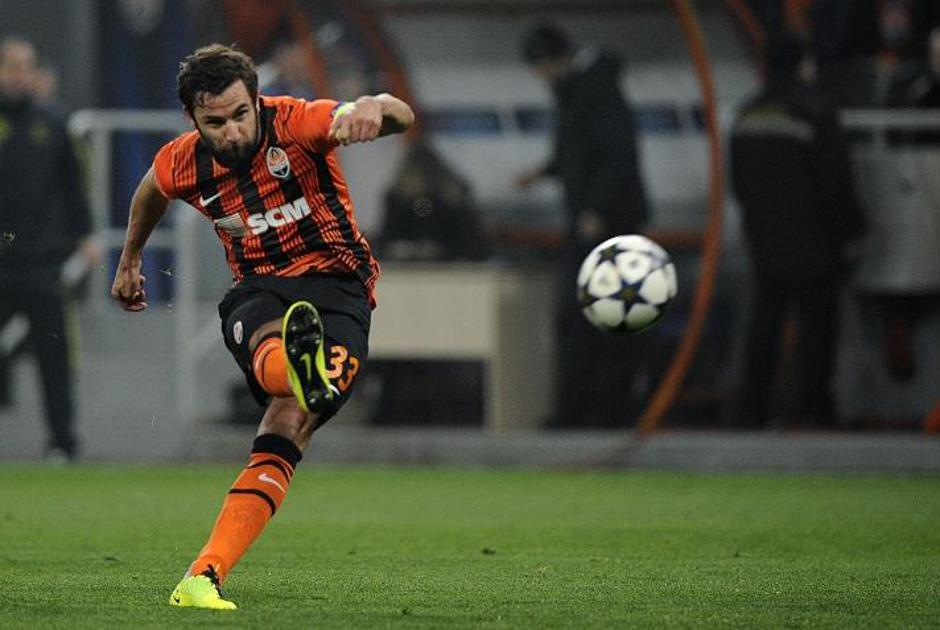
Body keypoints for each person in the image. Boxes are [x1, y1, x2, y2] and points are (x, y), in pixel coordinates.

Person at [110, 44, 414, 609]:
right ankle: (301, 368)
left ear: (256, 100)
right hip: (258, 288)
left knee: (287, 422)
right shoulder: (184, 160)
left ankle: (202, 575)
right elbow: (150, 190)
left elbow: (399, 114)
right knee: (284, 377)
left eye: (239, 115)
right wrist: (130, 259)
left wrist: (374, 104)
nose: (230, 132)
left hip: (338, 286)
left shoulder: (297, 121)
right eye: (214, 123)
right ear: (193, 121)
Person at [516, 23, 649, 428]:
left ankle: (603, 411)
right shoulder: (578, 93)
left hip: (607, 224)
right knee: (588, 318)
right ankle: (588, 409)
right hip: (592, 221)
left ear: (553, 61)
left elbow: (614, 158)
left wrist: (596, 209)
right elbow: (580, 155)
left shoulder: (597, 92)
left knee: (602, 318)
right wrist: (543, 172)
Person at [730, 34, 866, 428]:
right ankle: (812, 408)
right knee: (817, 330)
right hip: (815, 241)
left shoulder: (746, 114)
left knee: (764, 327)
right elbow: (835, 182)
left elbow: (738, 183)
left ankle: (752, 408)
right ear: (803, 64)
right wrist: (853, 231)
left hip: (764, 241)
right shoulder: (816, 111)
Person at [0, 36, 100, 460]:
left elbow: (76, 187)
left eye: (24, 66)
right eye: (9, 65)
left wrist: (87, 236)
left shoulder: (56, 124)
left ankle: (62, 444)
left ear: (35, 73)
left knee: (54, 357)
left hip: (45, 261)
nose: (17, 73)